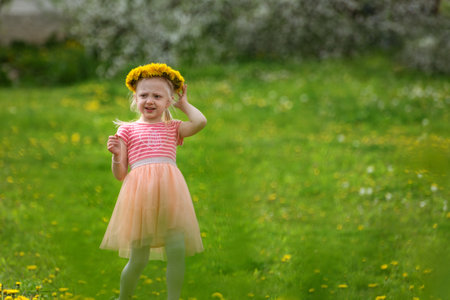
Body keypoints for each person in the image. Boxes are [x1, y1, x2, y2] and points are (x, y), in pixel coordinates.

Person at [100, 63, 207, 300]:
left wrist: (185, 105)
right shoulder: (127, 130)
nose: (150, 100)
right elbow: (119, 175)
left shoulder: (172, 128)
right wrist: (117, 156)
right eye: (144, 95)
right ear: (135, 98)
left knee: (176, 250)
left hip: (170, 197)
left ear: (168, 102)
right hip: (140, 200)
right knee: (138, 258)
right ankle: (123, 297)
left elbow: (200, 122)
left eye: (157, 96)